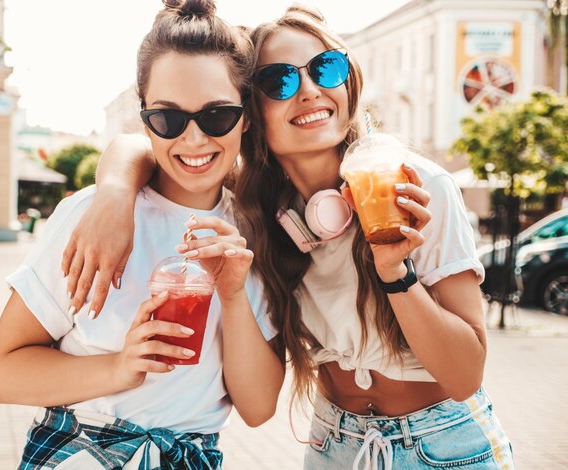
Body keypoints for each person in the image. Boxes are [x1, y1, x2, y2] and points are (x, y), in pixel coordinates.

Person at [61, 5, 515, 470]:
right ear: (248, 112)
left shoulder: (412, 186)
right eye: (280, 81)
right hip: (334, 445)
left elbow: (465, 377)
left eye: (327, 68)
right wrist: (114, 195)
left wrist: (395, 274)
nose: (311, 90)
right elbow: (146, 142)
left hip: (442, 445)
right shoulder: (258, 207)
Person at [0, 1, 284, 468]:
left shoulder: (259, 234)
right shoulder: (92, 216)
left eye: (217, 115)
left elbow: (259, 409)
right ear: (144, 118)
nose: (195, 138)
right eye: (168, 118)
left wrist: (234, 294)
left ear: (246, 115)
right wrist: (119, 367)